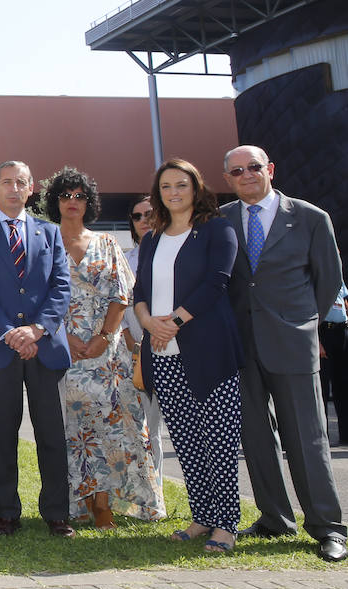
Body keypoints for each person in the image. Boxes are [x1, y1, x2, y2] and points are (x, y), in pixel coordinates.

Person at [221, 145, 347, 562]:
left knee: (307, 437)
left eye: (254, 167)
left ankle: (327, 527)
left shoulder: (311, 218)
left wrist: (302, 322)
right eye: (237, 171)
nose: (246, 175)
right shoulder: (220, 220)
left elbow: (328, 281)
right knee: (255, 436)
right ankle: (275, 517)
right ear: (228, 179)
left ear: (270, 169)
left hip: (292, 342)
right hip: (240, 345)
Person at [44, 167, 164, 529]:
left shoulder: (108, 244)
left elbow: (121, 295)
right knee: (73, 430)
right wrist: (64, 336)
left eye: (80, 196)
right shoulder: (44, 243)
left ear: (90, 203)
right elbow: (36, 298)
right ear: (54, 201)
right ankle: (78, 502)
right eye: (66, 195)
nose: (73, 202)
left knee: (113, 429)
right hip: (61, 349)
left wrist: (105, 337)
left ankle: (103, 504)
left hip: (107, 353)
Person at [133, 158, 242, 553]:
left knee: (219, 439)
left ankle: (226, 524)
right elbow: (139, 292)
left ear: (196, 188)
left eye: (181, 184)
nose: (173, 192)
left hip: (209, 350)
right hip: (163, 352)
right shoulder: (152, 238)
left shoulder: (216, 229)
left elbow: (217, 283)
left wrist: (174, 321)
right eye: (166, 186)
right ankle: (202, 517)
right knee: (186, 438)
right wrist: (149, 323)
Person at [0, 160, 74, 537]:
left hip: (45, 348)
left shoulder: (50, 232)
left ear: (31, 189)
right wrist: (9, 332)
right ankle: (6, 511)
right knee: (0, 433)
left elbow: (61, 285)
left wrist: (37, 329)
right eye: (6, 182)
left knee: (51, 434)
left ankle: (57, 512)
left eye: (20, 182)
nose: (13, 188)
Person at [121, 195, 166, 481]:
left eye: (149, 214)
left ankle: (158, 489)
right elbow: (119, 303)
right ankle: (148, 488)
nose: (143, 221)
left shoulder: (175, 252)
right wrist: (128, 337)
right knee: (145, 426)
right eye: (136, 217)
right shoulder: (125, 260)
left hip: (172, 346)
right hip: (136, 352)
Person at [321, 283, 348, 446]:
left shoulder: (338, 276)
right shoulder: (316, 273)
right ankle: (322, 437)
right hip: (324, 331)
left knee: (343, 385)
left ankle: (345, 435)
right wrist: (317, 340)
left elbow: (344, 299)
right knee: (322, 388)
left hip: (341, 331)